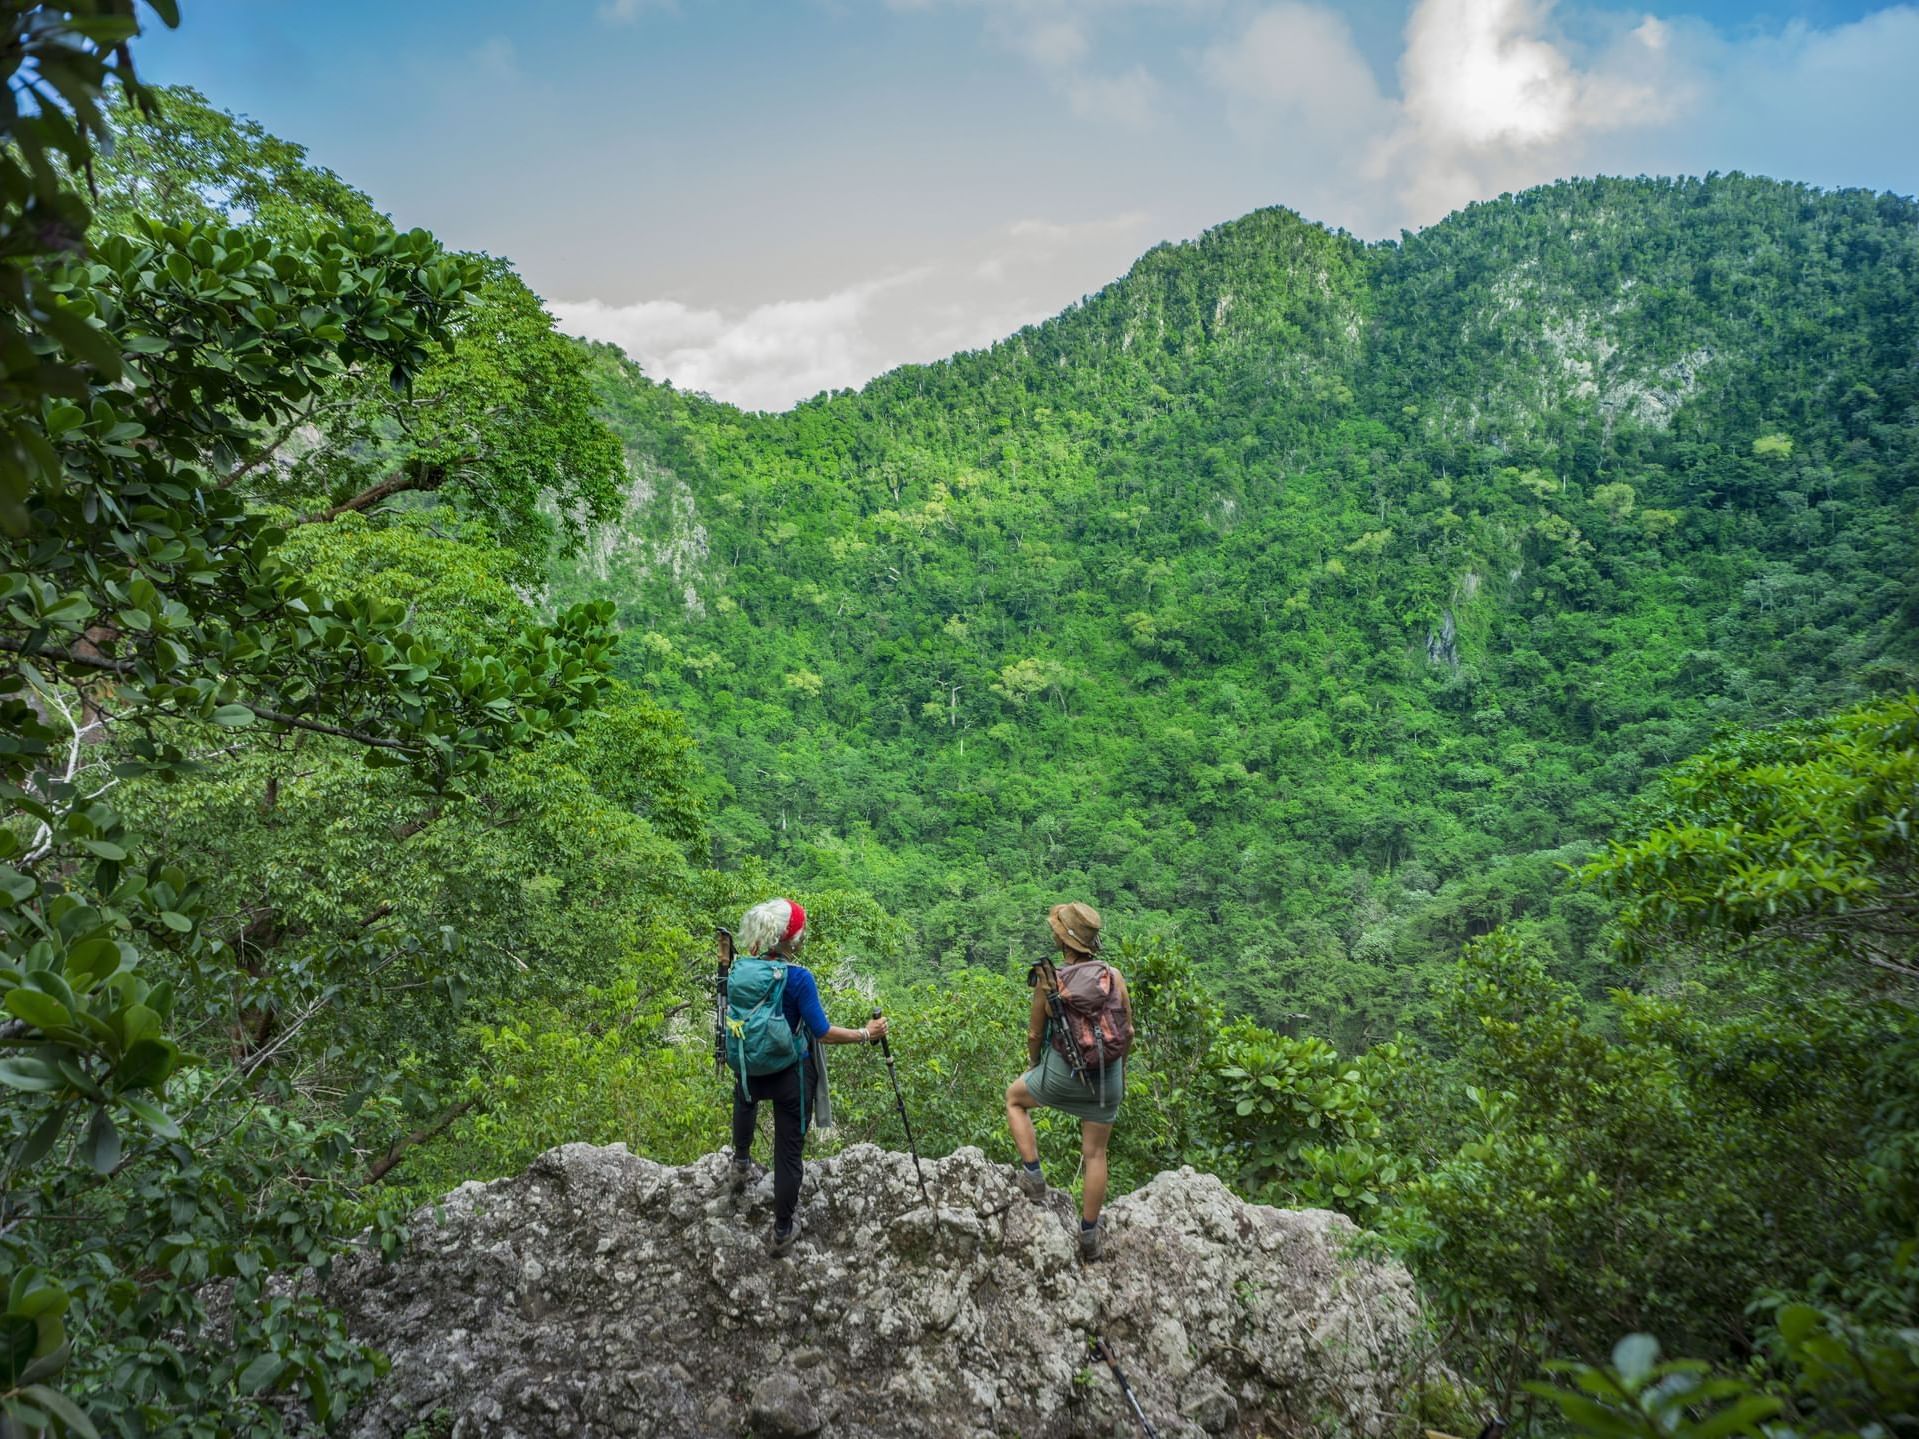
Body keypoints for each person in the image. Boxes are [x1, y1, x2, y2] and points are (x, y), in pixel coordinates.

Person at [726, 897, 886, 1256]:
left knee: (744, 1096)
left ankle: (740, 1162)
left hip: (749, 1069)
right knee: (788, 1152)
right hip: (788, 1075)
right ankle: (782, 1230)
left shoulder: (741, 969)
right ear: (793, 939)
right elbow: (822, 1031)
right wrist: (866, 1034)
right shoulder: (798, 978)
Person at [1004, 901, 1133, 1260]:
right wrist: (1119, 1068)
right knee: (1095, 1153)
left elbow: (1034, 1035)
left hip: (1063, 1074)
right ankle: (1088, 1236)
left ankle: (1033, 1176)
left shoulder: (1051, 982)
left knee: (1014, 1100)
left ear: (1063, 942)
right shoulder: (1114, 976)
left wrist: (1035, 1068)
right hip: (1107, 1079)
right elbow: (1129, 1030)